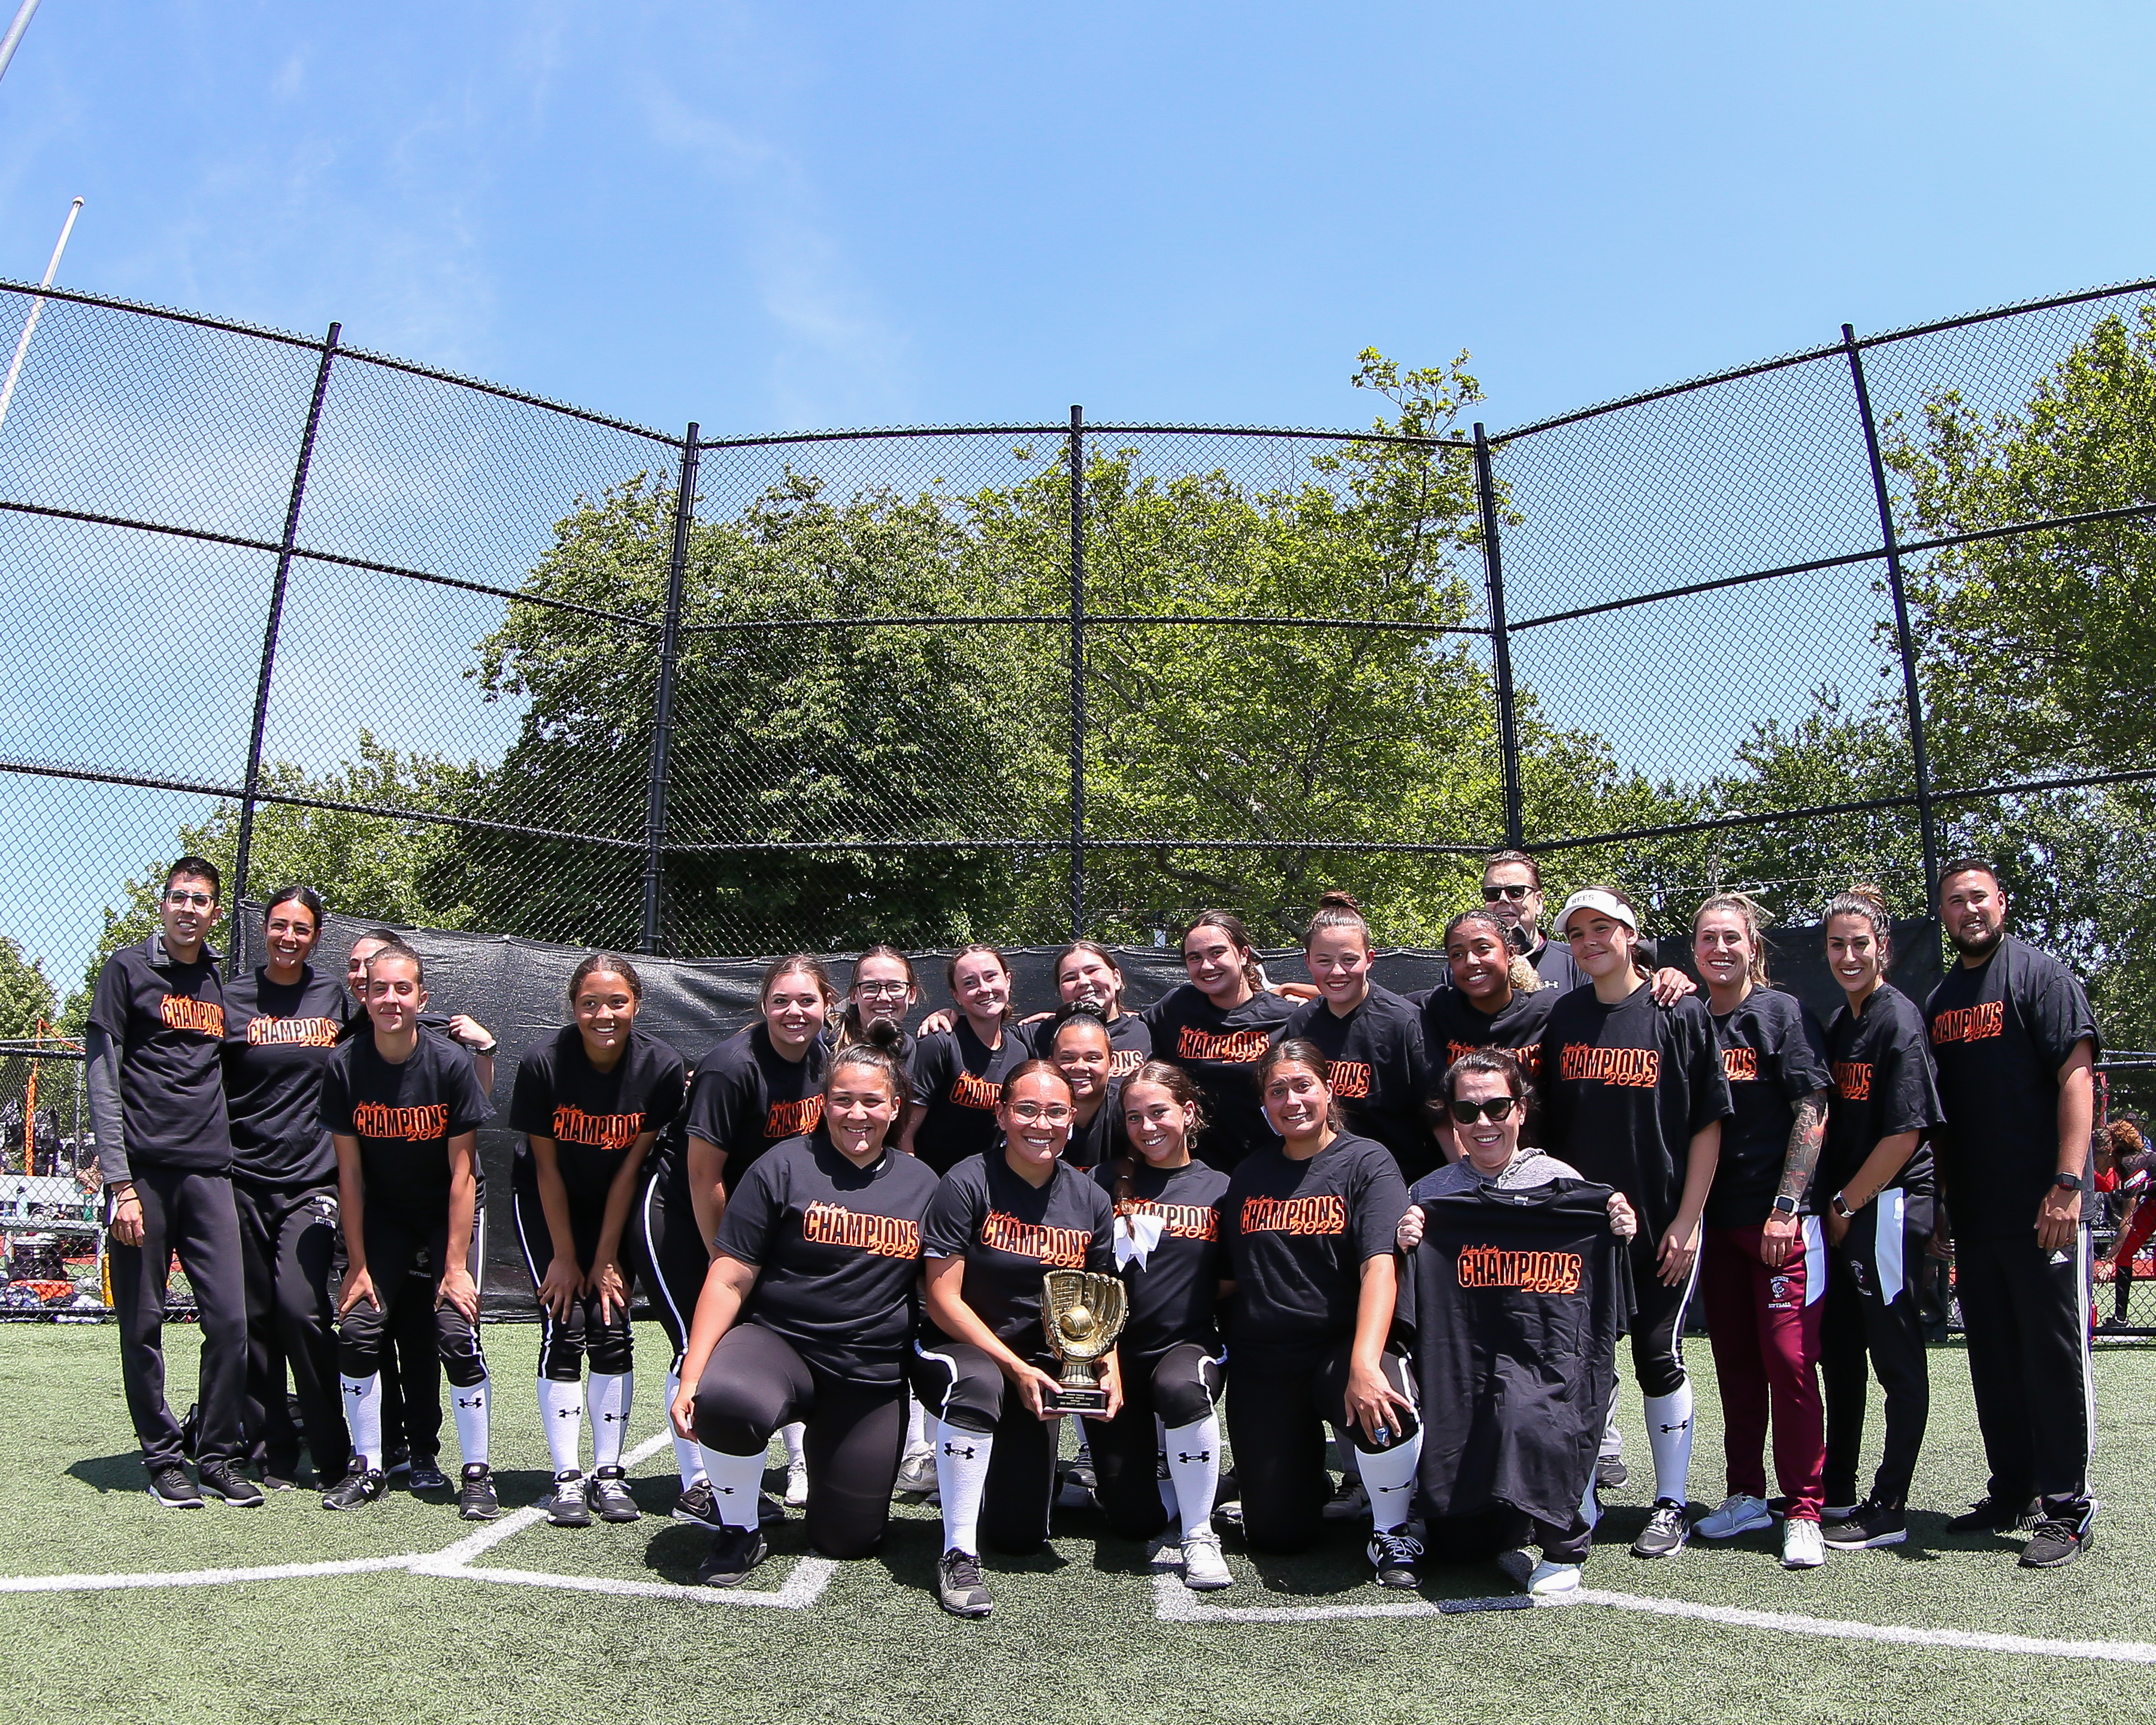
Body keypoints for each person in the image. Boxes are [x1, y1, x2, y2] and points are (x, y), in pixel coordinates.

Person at [671, 1025, 940, 1585]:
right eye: (843, 1100)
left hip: (867, 1370)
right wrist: (692, 1374)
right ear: (823, 1104)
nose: (857, 1114)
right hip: (781, 1344)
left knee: (848, 1540)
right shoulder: (782, 1165)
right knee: (726, 1401)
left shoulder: (923, 1183)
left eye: (872, 1101)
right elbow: (730, 1275)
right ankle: (739, 1529)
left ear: (896, 1108)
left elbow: (937, 1287)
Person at [1395, 1050, 1637, 1598]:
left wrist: (1617, 1228)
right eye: (1466, 1112)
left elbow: (1603, 1291)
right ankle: (1503, 1511)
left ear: (1521, 1110)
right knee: (1459, 1547)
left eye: (1496, 1107)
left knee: (1538, 1407)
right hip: (1466, 1361)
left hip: (1545, 1355)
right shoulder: (1432, 1194)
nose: (1483, 1123)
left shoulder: (1566, 1185)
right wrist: (1406, 1239)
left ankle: (1564, 1527)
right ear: (1451, 1118)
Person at [1536, 885, 1730, 1558]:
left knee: (1657, 1354)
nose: (1591, 941)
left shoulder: (1678, 1010)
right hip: (1586, 1232)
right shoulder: (1562, 1018)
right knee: (1584, 1365)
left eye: (1603, 928)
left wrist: (1688, 1219)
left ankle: (1670, 1503)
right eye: (1578, 932)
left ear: (1630, 931)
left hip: (1661, 1226)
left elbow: (1707, 1124)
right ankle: (1584, 1495)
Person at [1924, 857, 2101, 1567]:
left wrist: (2067, 1181)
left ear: (2002, 902)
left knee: (2053, 1356)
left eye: (1979, 898)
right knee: (1993, 1356)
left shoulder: (2041, 977)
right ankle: (2014, 1488)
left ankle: (2069, 1507)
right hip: (1978, 1213)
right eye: (1954, 902)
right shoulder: (1940, 1001)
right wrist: (1942, 1208)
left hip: (2045, 1209)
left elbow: (2077, 1077)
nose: (1969, 910)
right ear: (1942, 915)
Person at [910, 1061, 1116, 1618]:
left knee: (1021, 1536)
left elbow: (1098, 1303)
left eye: (1055, 1111)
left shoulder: (1091, 1199)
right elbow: (943, 1298)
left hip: (1044, 1364)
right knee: (978, 1384)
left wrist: (1105, 1368)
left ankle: (1009, 1480)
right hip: (963, 1348)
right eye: (1027, 1109)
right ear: (1001, 1114)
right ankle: (957, 1552)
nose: (1041, 1123)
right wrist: (1016, 1368)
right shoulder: (967, 1180)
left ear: (1072, 1118)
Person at [1218, 1039, 1421, 1585]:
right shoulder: (1250, 1173)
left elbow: (1380, 1266)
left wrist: (1365, 1363)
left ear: (1330, 1090)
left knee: (1388, 1408)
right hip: (1266, 1362)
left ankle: (1393, 1531)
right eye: (1276, 1090)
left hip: (1340, 1347)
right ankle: (1307, 1487)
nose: (1292, 1101)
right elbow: (1230, 1275)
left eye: (1303, 1085)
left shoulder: (1367, 1161)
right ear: (1264, 1104)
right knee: (1278, 1537)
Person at [641, 955, 835, 1525]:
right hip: (684, 1215)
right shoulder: (733, 1067)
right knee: (698, 1340)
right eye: (782, 1001)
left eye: (807, 1001)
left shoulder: (823, 1059)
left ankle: (799, 1465)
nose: (794, 1012)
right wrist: (722, 1259)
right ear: (763, 1006)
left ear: (827, 1005)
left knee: (784, 1333)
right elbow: (705, 1177)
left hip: (755, 1220)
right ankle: (698, 1486)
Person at [87, 857, 255, 1507]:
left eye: (202, 900)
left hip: (211, 1174)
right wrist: (120, 1186)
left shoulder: (222, 981)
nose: (189, 907)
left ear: (215, 913)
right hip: (144, 1178)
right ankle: (162, 1459)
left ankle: (214, 1454)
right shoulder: (126, 969)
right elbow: (104, 1081)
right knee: (142, 1323)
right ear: (163, 904)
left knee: (231, 1322)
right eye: (179, 896)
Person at [320, 940, 498, 1518]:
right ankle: (368, 1465)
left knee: (454, 1328)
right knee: (359, 1328)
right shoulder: (344, 1065)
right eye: (379, 989)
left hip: (446, 1212)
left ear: (422, 997)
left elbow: (463, 1171)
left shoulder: (449, 1063)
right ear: (363, 995)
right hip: (385, 1217)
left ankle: (475, 1473)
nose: (391, 999)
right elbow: (349, 1174)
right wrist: (358, 1264)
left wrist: (453, 1267)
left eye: (403, 989)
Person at [509, 954, 687, 1527]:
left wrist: (608, 1256)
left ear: (637, 1004)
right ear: (573, 1006)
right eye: (590, 1002)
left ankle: (609, 1474)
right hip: (546, 1200)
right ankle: (565, 1478)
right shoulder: (544, 1062)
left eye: (616, 1002)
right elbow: (545, 1168)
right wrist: (564, 1256)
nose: (603, 1013)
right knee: (564, 1323)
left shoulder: (660, 1066)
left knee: (610, 1325)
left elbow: (633, 1168)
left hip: (617, 1199)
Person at [1685, 894, 1833, 1569]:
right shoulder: (1685, 1017)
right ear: (1692, 951)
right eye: (1707, 938)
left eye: (1731, 938)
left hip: (1777, 1225)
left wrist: (1785, 1206)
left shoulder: (1779, 1014)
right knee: (1737, 1370)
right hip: (1714, 1227)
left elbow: (1813, 1106)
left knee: (1790, 1365)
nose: (1720, 949)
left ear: (1753, 948)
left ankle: (1803, 1510)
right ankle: (1745, 1494)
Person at [1814, 885, 1943, 1552]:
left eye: (1859, 943)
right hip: (1848, 1215)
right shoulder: (1842, 1022)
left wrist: (1844, 1204)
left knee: (1895, 1354)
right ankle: (1837, 1491)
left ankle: (1890, 1504)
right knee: (1840, 1352)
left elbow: (1906, 1134)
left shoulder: (1898, 1020)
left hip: (1886, 1207)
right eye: (1837, 945)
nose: (1848, 955)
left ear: (1882, 948)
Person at [220, 885, 354, 1488]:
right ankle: (271, 1451)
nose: (289, 938)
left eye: (301, 929)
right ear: (264, 930)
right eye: (279, 926)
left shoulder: (333, 997)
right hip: (242, 1179)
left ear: (316, 937)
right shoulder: (231, 999)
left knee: (302, 1310)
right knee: (253, 1319)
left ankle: (331, 1451)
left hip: (311, 1182)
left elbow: (379, 1047)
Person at [1093, 1060, 1234, 1590]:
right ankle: (1195, 1481)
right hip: (1115, 1355)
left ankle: (1200, 1533)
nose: (1147, 1127)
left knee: (1181, 1389)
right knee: (1131, 1518)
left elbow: (1237, 1276)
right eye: (1134, 1118)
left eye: (1159, 1112)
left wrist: (1186, 1292)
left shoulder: (1221, 1187)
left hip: (1187, 1343)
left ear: (1187, 1111)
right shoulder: (1103, 1182)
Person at [1282, 891, 1433, 1183]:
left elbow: (1438, 1112)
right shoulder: (1301, 1024)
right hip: (1321, 1178)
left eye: (1349, 959)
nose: (1337, 971)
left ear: (1370, 960)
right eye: (1324, 961)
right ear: (1308, 962)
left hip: (1399, 1175)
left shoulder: (1404, 1021)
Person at [1141, 912, 1297, 1170]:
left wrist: (1296, 988)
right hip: (1198, 1172)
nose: (1207, 966)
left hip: (1268, 1166)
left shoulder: (1284, 1017)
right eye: (1195, 958)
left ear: (1244, 955)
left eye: (1217, 953)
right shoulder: (1177, 1006)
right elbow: (1128, 1026)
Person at [903, 945, 1033, 1175]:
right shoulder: (940, 1043)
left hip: (987, 1182)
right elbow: (905, 1131)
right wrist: (916, 1183)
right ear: (957, 996)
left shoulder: (1019, 1053)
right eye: (970, 983)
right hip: (934, 1178)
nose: (984, 989)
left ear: (1008, 980)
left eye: (991, 976)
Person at [1046, 1005, 1128, 1172]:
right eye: (1068, 1058)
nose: (1080, 1067)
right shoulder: (1035, 1114)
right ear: (1051, 1063)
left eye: (1092, 1058)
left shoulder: (1131, 1110)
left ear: (1112, 1064)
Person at [2100, 1120, 2156, 1327]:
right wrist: (2114, 1255)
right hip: (2153, 1204)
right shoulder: (2129, 1161)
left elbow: (2127, 1218)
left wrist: (2108, 1260)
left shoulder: (2130, 1163)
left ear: (2113, 1146)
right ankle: (2120, 1319)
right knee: (2125, 1254)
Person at [830, 945, 920, 1063]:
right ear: (853, 995)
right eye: (871, 988)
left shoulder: (909, 1049)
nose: (883, 997)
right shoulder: (827, 1043)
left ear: (912, 994)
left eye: (895, 987)